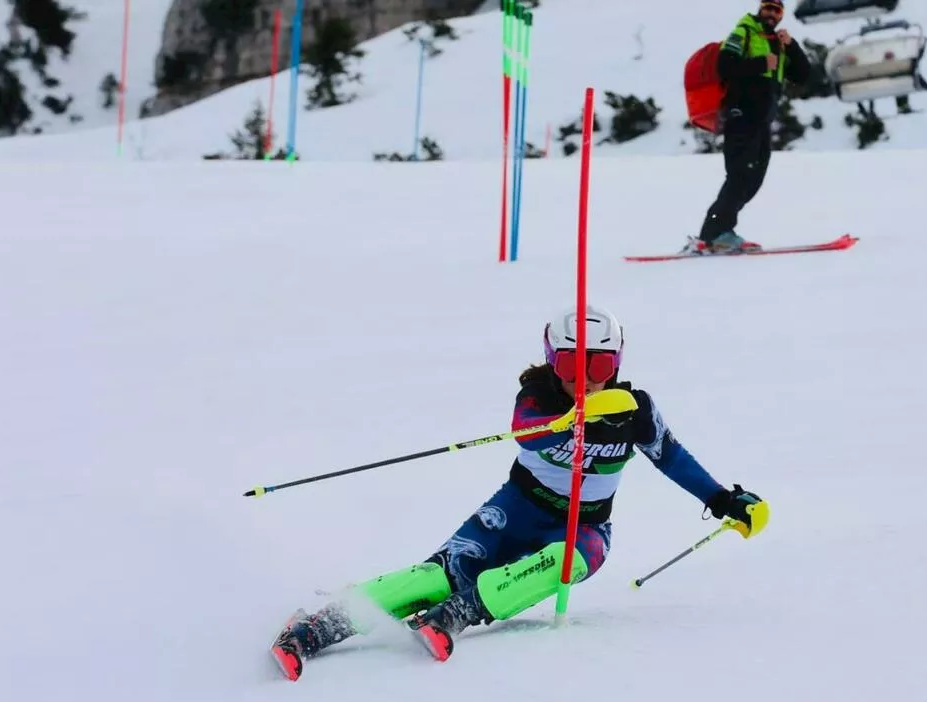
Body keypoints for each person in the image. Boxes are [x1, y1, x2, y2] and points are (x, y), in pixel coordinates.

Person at [269, 304, 768, 679]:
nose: (585, 381)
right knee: (435, 575)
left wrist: (724, 500)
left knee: (578, 557)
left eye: (598, 368)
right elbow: (526, 430)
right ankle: (318, 626)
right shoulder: (539, 397)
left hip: (585, 523)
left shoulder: (634, 409)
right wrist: (571, 419)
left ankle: (462, 613)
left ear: (616, 363)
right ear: (554, 363)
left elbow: (672, 457)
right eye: (572, 368)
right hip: (514, 511)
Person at [691, 0, 812, 254]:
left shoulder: (777, 44)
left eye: (777, 10)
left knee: (753, 179)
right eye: (768, 8)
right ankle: (716, 234)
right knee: (740, 176)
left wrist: (791, 46)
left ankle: (715, 233)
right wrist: (759, 64)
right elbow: (724, 65)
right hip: (740, 116)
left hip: (761, 121)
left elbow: (803, 75)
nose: (771, 14)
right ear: (760, 9)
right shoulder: (743, 31)